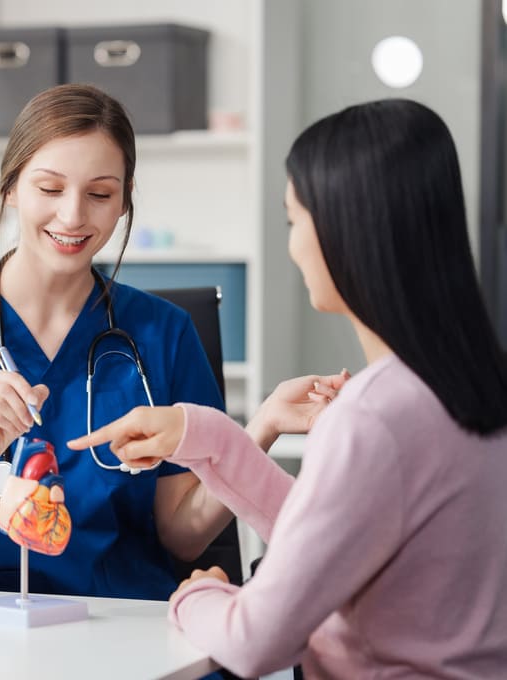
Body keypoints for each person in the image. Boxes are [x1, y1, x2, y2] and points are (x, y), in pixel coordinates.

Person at [0, 83, 334, 600]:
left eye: (100, 194)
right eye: (49, 189)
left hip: (128, 621)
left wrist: (262, 426)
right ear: (10, 188)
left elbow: (182, 536)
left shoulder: (164, 333)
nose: (74, 216)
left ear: (123, 201)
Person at [69, 98, 507, 677]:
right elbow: (330, 534)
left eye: (293, 220)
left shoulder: (375, 418)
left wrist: (198, 597)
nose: (293, 244)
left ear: (349, 230)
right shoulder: (465, 385)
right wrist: (210, 436)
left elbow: (255, 642)